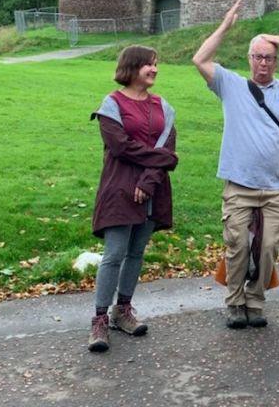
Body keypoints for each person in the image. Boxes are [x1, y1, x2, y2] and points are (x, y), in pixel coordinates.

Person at [193, 0, 279, 329]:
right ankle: (235, 301)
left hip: (275, 187)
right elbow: (200, 59)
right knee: (238, 244)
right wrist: (226, 27)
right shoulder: (232, 85)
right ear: (249, 59)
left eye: (269, 57)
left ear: (276, 60)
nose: (263, 63)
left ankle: (256, 300)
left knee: (268, 247)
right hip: (240, 185)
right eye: (258, 57)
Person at [87, 45, 178, 353]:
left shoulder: (163, 106)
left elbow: (169, 147)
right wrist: (158, 162)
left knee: (136, 251)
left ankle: (122, 310)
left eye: (156, 65)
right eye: (149, 65)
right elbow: (120, 147)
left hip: (151, 189)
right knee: (114, 253)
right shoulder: (112, 104)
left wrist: (149, 181)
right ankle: (99, 319)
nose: (155, 69)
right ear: (132, 67)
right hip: (119, 187)